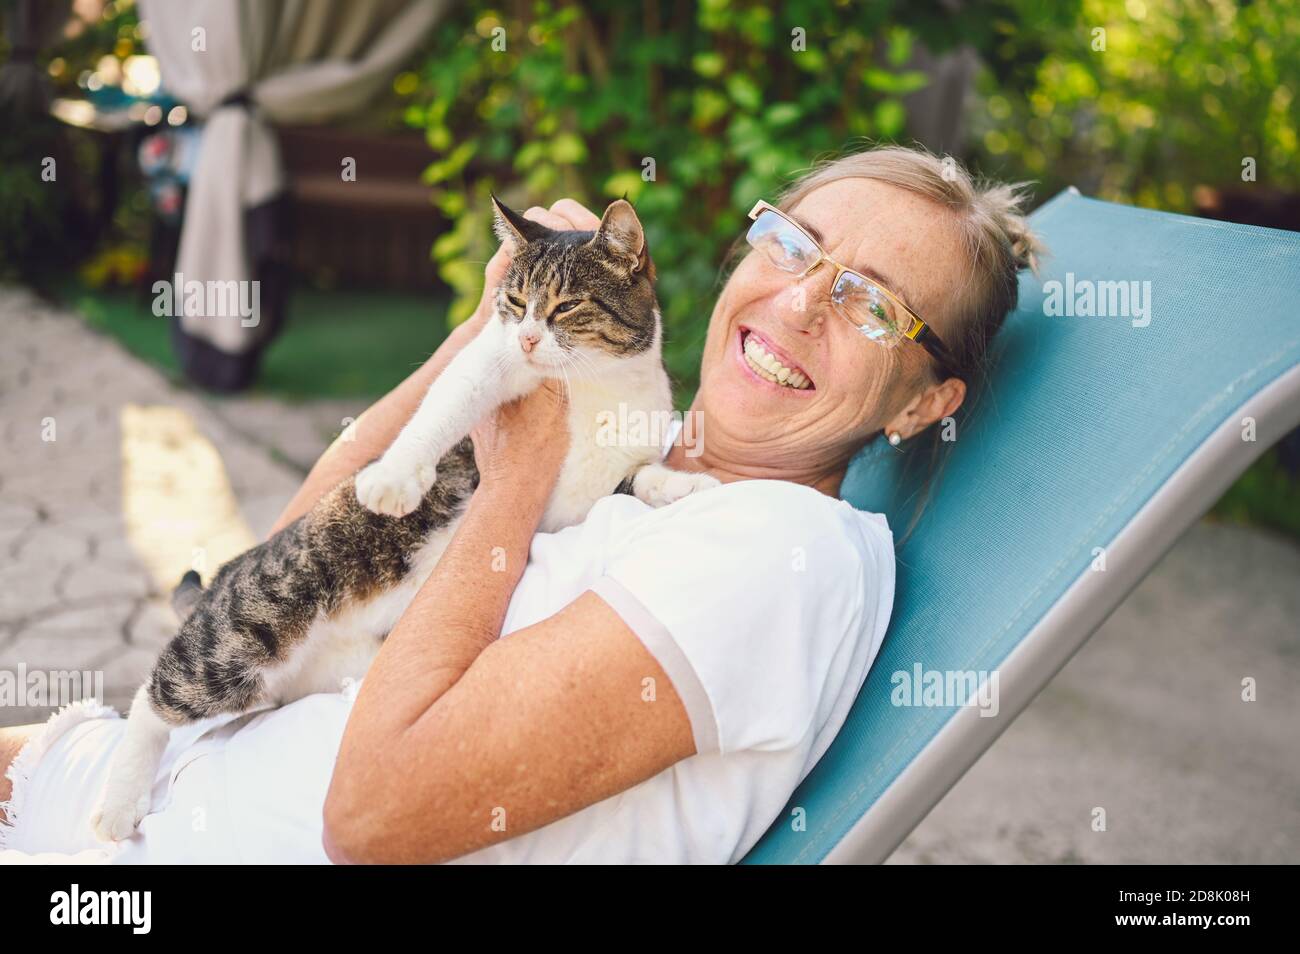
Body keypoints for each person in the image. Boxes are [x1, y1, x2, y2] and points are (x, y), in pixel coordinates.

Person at [0, 146, 1042, 864]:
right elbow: (289, 565)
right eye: (792, 244)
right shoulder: (643, 443)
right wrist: (492, 331)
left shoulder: (783, 553)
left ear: (924, 405)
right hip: (127, 768)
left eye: (869, 302)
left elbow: (368, 813)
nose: (802, 299)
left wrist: (514, 480)